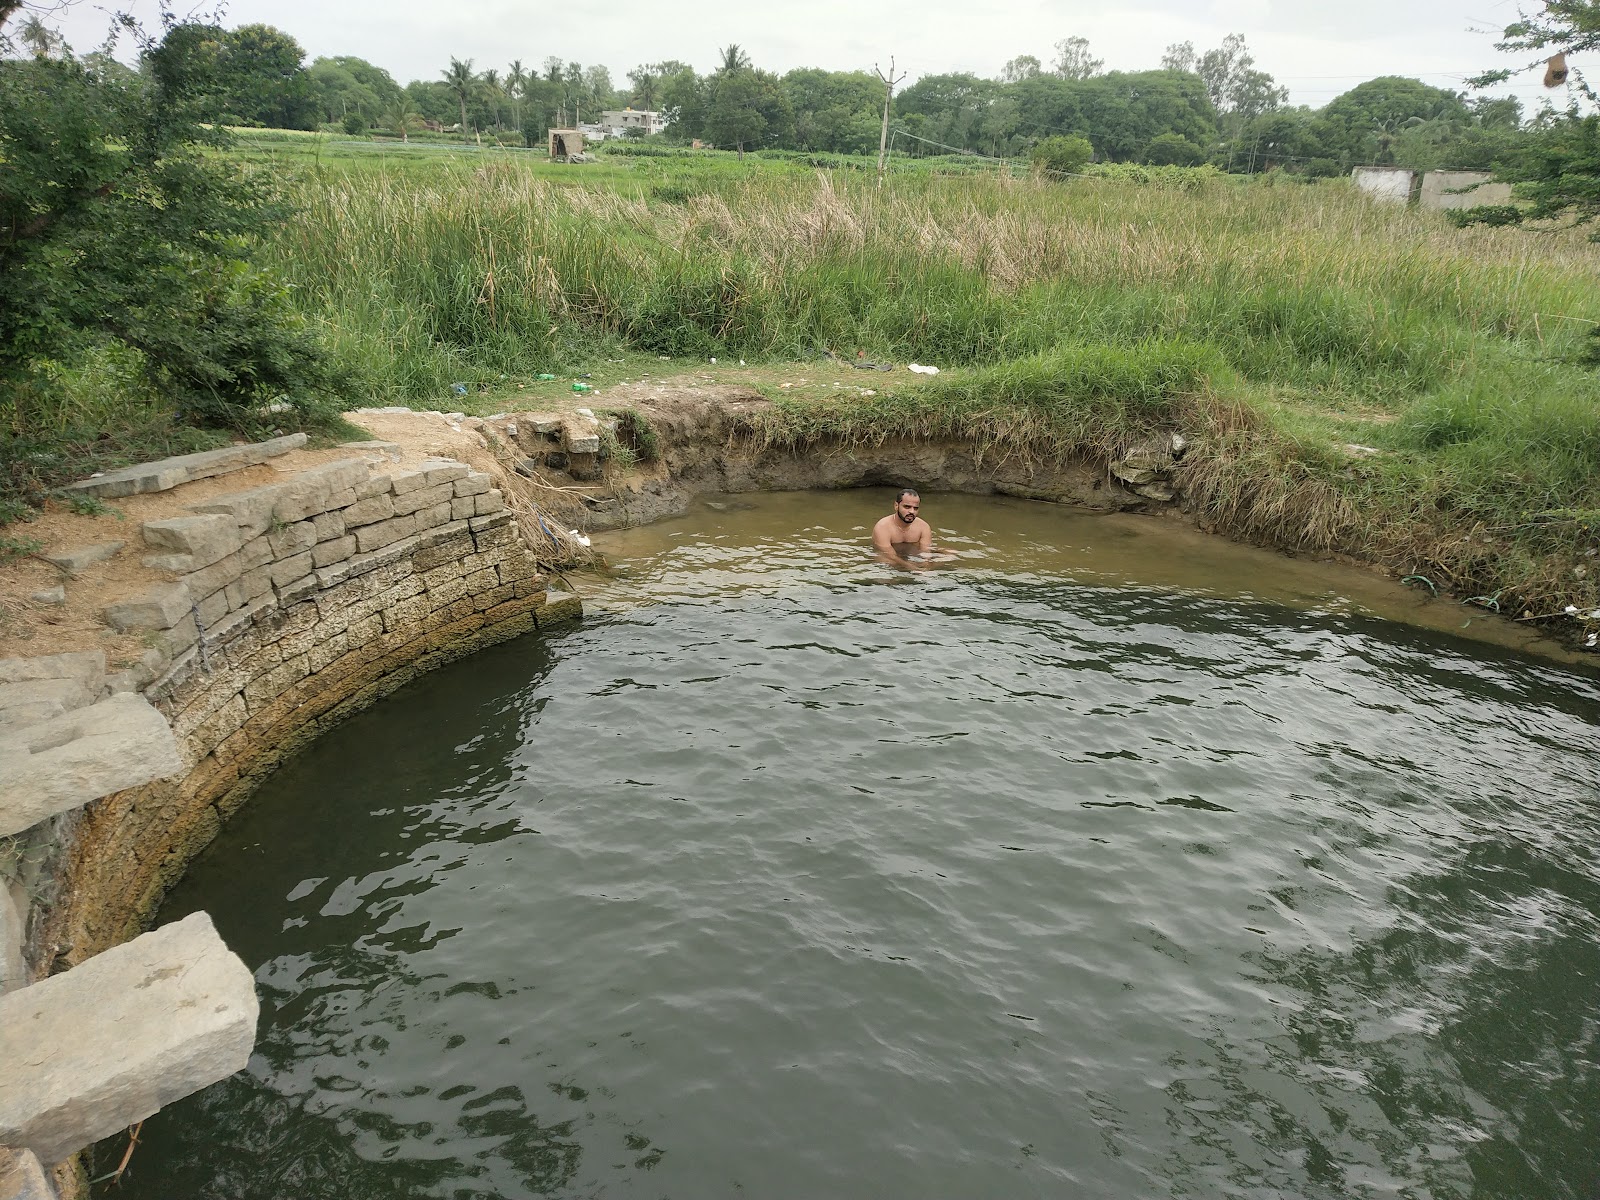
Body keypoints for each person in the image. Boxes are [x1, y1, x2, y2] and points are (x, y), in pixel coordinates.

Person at [872, 488, 954, 565]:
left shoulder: (923, 526)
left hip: (913, 552)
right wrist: (911, 567)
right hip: (891, 557)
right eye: (907, 507)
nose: (911, 511)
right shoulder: (882, 527)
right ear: (896, 505)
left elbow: (926, 551)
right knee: (886, 560)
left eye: (915, 508)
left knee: (951, 553)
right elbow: (889, 555)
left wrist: (925, 566)